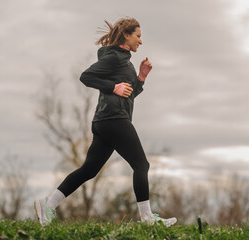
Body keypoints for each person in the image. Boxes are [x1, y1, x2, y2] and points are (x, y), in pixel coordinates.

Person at [34, 17, 177, 227]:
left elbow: (128, 95)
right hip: (114, 119)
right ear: (126, 35)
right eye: (138, 36)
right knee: (141, 164)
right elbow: (86, 76)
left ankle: (48, 204)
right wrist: (113, 87)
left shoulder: (124, 61)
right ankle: (147, 219)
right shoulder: (114, 58)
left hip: (106, 121)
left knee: (89, 170)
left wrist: (141, 77)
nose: (141, 41)